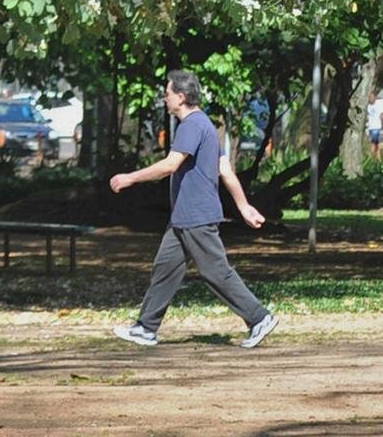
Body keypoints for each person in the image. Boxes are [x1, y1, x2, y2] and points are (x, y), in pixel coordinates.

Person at [109, 70, 277, 350]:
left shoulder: (191, 126)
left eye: (168, 94)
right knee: (165, 269)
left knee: (216, 272)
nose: (165, 99)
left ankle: (259, 317)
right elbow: (225, 170)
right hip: (184, 217)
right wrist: (243, 206)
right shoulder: (207, 126)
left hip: (196, 216)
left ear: (181, 97)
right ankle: (146, 328)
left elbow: (169, 165)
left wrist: (130, 178)